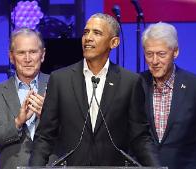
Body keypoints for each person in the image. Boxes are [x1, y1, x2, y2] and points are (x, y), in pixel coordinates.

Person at [29, 13, 159, 166]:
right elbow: (45, 137)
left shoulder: (130, 82)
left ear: (114, 42)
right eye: (86, 32)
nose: (88, 38)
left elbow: (140, 138)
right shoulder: (60, 80)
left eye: (96, 33)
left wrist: (155, 166)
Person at [140, 22, 196, 169]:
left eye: (161, 54)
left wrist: (192, 165)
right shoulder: (135, 85)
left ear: (175, 52)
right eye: (149, 54)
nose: (154, 61)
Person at [0, 28, 53, 169]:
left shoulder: (60, 87)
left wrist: (49, 117)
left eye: (33, 52)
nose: (27, 59)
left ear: (42, 55)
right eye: (21, 53)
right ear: (11, 57)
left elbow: (77, 135)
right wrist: (17, 122)